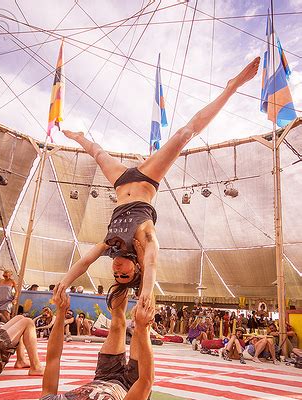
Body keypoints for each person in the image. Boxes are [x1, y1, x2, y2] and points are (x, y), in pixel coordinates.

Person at [55, 58, 260, 309]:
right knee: (185, 134)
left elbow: (85, 262)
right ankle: (231, 87)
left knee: (97, 153)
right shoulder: (145, 236)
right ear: (136, 267)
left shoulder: (109, 244)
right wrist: (147, 291)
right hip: (146, 180)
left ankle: (80, 137)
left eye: (116, 275)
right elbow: (152, 262)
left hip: (120, 183)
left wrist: (65, 281)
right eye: (125, 275)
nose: (118, 271)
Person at [21, 289, 154, 400]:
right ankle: (147, 279)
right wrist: (144, 329)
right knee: (138, 329)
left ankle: (126, 278)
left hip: (105, 376)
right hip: (131, 387)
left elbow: (53, 358)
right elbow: (145, 382)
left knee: (117, 324)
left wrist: (60, 314)